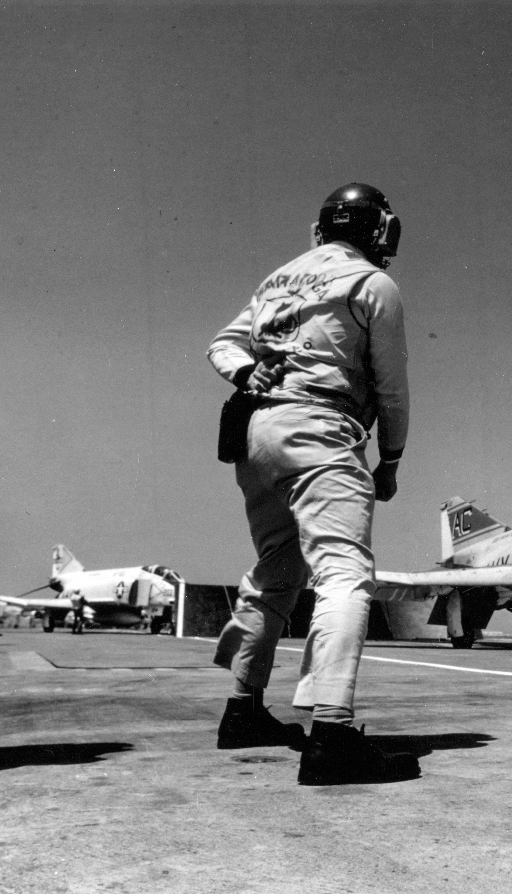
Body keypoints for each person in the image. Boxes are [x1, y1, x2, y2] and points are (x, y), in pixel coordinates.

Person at [208, 183, 414, 785]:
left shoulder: (279, 280)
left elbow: (222, 344)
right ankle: (331, 733)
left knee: (276, 570)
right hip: (322, 427)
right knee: (344, 571)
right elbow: (392, 386)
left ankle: (242, 711)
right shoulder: (372, 285)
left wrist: (248, 371)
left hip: (257, 437)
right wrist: (392, 460)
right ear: (380, 230)